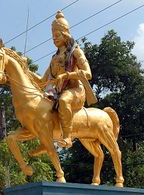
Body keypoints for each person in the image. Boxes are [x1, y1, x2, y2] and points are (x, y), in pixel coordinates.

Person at [41, 11, 94, 148]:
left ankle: (67, 137)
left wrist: (67, 75)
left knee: (64, 100)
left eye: (57, 35)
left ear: (65, 34)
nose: (54, 38)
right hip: (57, 91)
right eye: (52, 36)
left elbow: (88, 74)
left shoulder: (76, 51)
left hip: (76, 90)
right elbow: (42, 81)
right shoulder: (54, 58)